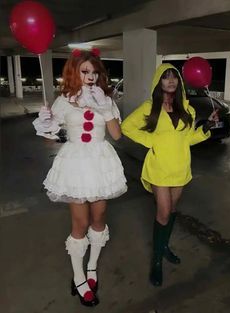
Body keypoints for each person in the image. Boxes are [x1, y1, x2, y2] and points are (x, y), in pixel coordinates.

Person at [33, 48, 127, 306]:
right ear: (74, 72)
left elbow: (117, 135)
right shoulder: (64, 100)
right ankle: (78, 277)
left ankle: (92, 268)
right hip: (76, 165)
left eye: (95, 72)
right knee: (80, 222)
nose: (91, 76)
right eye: (85, 71)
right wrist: (45, 124)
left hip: (100, 164)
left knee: (99, 219)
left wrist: (106, 107)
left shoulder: (105, 97)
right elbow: (49, 133)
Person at [121, 63, 219, 287]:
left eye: (174, 77)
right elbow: (127, 127)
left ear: (179, 82)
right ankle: (156, 261)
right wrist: (151, 142)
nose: (171, 81)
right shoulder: (150, 107)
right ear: (159, 82)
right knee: (163, 212)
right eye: (165, 77)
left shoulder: (188, 109)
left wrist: (207, 128)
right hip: (159, 167)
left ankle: (164, 246)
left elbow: (188, 139)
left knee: (172, 210)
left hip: (180, 167)